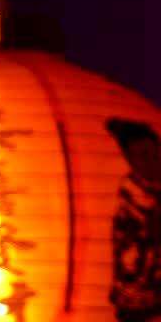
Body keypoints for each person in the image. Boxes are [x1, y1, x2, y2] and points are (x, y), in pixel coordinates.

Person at [106, 117, 161, 322]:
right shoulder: (134, 194)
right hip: (136, 292)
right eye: (144, 156)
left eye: (156, 153)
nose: (154, 161)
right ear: (130, 159)